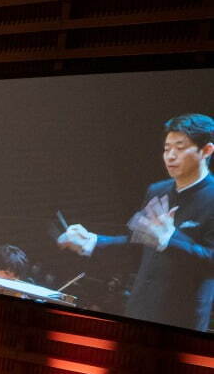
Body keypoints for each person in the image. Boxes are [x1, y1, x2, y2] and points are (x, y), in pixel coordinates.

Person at [58, 114, 214, 329]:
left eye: (180, 147)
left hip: (183, 320)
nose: (170, 156)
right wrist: (93, 241)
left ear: (206, 151)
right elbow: (136, 244)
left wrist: (171, 240)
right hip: (139, 310)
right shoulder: (157, 191)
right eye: (167, 148)